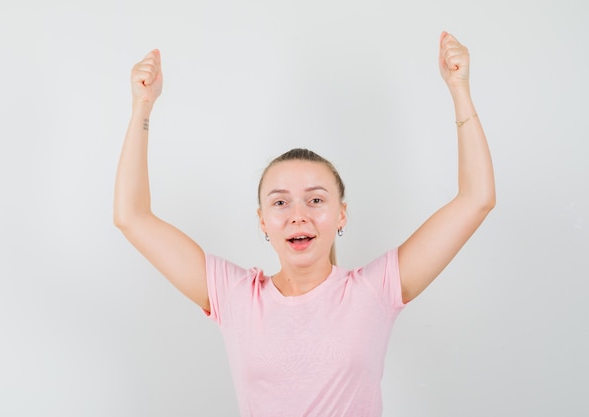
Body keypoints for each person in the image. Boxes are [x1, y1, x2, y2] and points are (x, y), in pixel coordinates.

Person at [113, 31, 495, 417]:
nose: (299, 214)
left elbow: (476, 199)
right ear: (263, 221)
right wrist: (141, 109)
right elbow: (132, 217)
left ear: (341, 214)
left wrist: (459, 89)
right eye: (281, 202)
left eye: (316, 200)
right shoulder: (236, 296)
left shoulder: (374, 291)